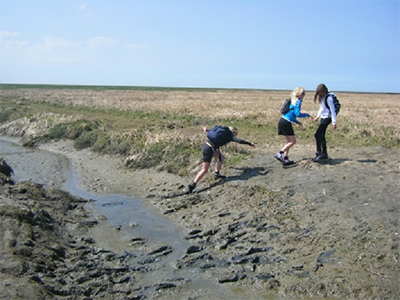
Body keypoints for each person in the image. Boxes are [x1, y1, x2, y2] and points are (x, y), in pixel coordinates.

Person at [188, 126, 256, 193]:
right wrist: (249, 144)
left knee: (222, 158)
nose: (236, 136)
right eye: (236, 133)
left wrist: (205, 129)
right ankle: (193, 184)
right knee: (204, 170)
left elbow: (210, 131)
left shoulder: (221, 134)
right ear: (234, 132)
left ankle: (217, 174)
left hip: (207, 147)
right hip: (209, 150)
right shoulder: (229, 136)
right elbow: (239, 141)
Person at [274, 86, 311, 165]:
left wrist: (297, 122)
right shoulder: (298, 101)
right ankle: (279, 153)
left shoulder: (292, 100)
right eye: (304, 93)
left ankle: (285, 158)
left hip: (282, 120)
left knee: (288, 141)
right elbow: (297, 114)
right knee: (293, 141)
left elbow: (291, 115)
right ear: (300, 94)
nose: (304, 95)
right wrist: (307, 115)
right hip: (286, 122)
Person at [313, 83, 337, 161]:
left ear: (323, 91)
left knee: (317, 135)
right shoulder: (323, 98)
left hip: (327, 118)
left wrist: (334, 122)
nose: (319, 95)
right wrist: (317, 116)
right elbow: (322, 108)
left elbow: (332, 111)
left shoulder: (329, 98)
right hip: (323, 118)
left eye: (320, 93)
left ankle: (320, 152)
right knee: (321, 135)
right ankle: (323, 153)